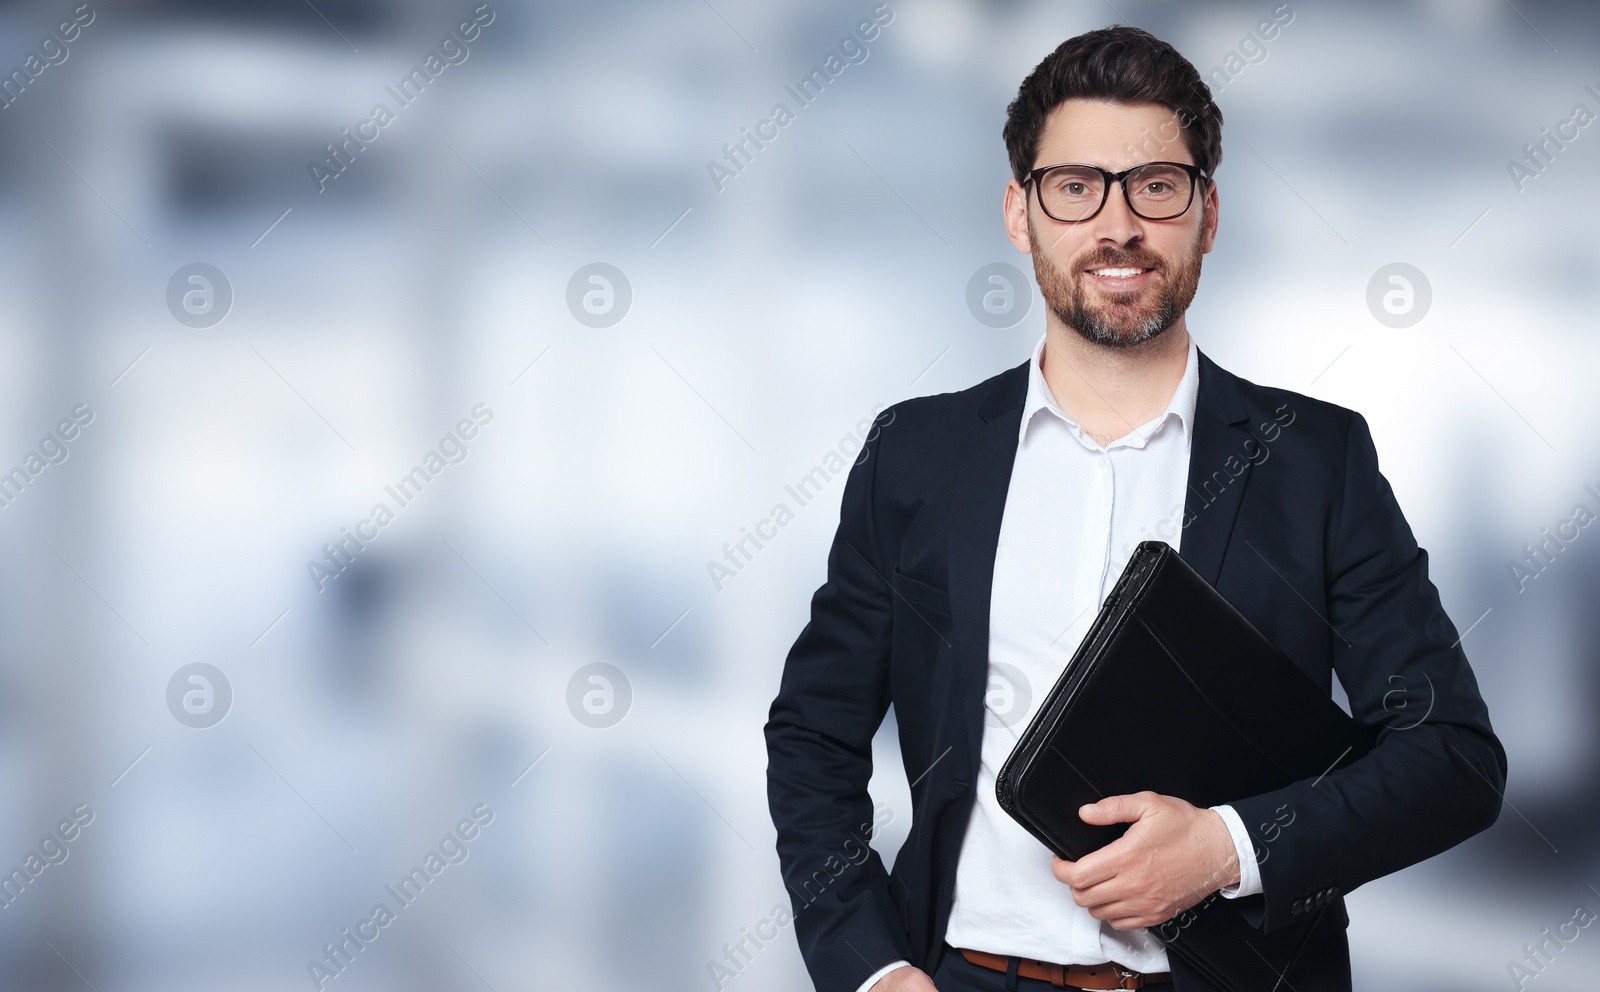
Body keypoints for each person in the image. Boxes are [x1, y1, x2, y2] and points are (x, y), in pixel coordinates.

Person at [763, 24, 1507, 992]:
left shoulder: (1316, 461)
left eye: (1155, 185)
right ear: (1019, 213)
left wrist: (1229, 845)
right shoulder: (917, 454)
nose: (1117, 225)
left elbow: (1450, 757)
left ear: (1206, 212)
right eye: (1074, 187)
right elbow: (813, 735)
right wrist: (871, 966)